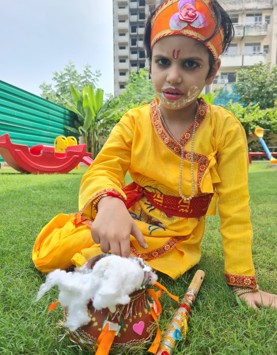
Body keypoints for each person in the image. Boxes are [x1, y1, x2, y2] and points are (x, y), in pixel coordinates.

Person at [33, 0, 276, 309]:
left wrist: (244, 283)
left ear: (212, 71)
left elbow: (235, 211)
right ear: (149, 65)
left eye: (190, 65)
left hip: (174, 236)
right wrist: (109, 202)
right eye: (163, 62)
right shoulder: (134, 121)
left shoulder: (224, 128)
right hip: (130, 212)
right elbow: (103, 168)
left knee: (119, 265)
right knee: (55, 253)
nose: (173, 77)